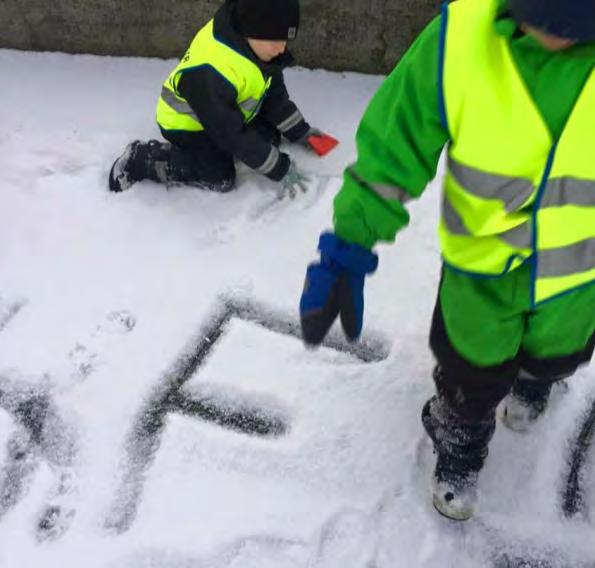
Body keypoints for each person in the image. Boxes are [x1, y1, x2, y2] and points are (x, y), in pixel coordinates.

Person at [299, 0, 595, 521]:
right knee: (468, 374)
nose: (548, 34)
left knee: (557, 353)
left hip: (579, 278)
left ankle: (534, 381)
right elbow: (396, 146)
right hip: (480, 276)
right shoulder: (460, 39)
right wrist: (349, 243)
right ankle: (459, 445)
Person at [109, 0, 322, 196]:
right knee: (219, 175)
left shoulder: (256, 48)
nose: (281, 47)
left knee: (268, 138)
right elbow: (229, 132)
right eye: (274, 39)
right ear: (251, 29)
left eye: (285, 38)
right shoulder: (212, 70)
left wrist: (300, 132)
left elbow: (273, 93)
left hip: (225, 111)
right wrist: (278, 167)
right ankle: (142, 159)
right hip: (189, 125)